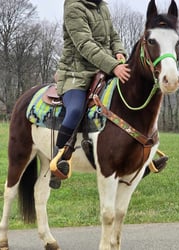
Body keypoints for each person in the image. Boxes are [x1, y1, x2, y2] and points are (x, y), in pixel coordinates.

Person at [49, 0, 131, 189]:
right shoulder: (73, 7)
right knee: (76, 110)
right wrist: (113, 65)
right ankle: (58, 159)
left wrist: (119, 52)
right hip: (76, 73)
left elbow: (113, 36)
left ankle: (141, 152)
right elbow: (85, 44)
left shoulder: (102, 6)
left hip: (104, 69)